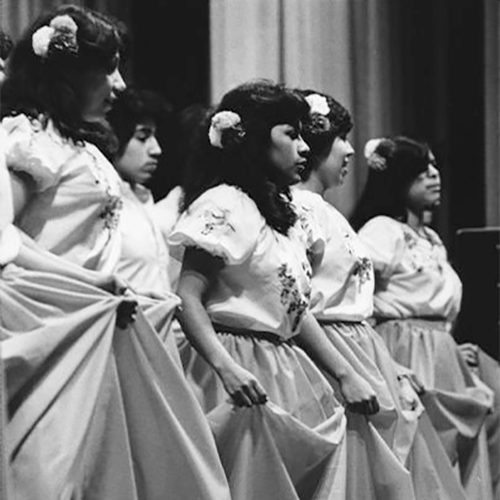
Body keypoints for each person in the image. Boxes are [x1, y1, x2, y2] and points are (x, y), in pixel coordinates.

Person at [1, 5, 231, 499]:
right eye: (107, 68)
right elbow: (4, 238)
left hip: (98, 327)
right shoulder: (28, 140)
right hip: (54, 331)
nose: (120, 84)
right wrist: (86, 284)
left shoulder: (79, 146)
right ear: (67, 72)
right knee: (55, 472)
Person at [167, 79, 418, 500]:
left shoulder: (279, 215)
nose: (304, 147)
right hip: (236, 361)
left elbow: (297, 310)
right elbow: (187, 296)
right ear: (254, 138)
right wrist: (226, 367)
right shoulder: (224, 203)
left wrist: (345, 373)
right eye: (291, 134)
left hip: (283, 366)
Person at [293, 89, 474, 500]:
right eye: (341, 138)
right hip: (339, 348)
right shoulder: (305, 212)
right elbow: (297, 297)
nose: (351, 151)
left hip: (367, 348)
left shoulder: (325, 211)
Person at [352, 135, 496, 500]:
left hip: (441, 352)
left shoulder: (430, 237)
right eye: (421, 172)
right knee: (423, 450)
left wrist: (448, 343)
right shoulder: (383, 230)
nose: (434, 176)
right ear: (398, 181)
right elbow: (354, 292)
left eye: (434, 168)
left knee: (459, 447)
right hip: (406, 349)